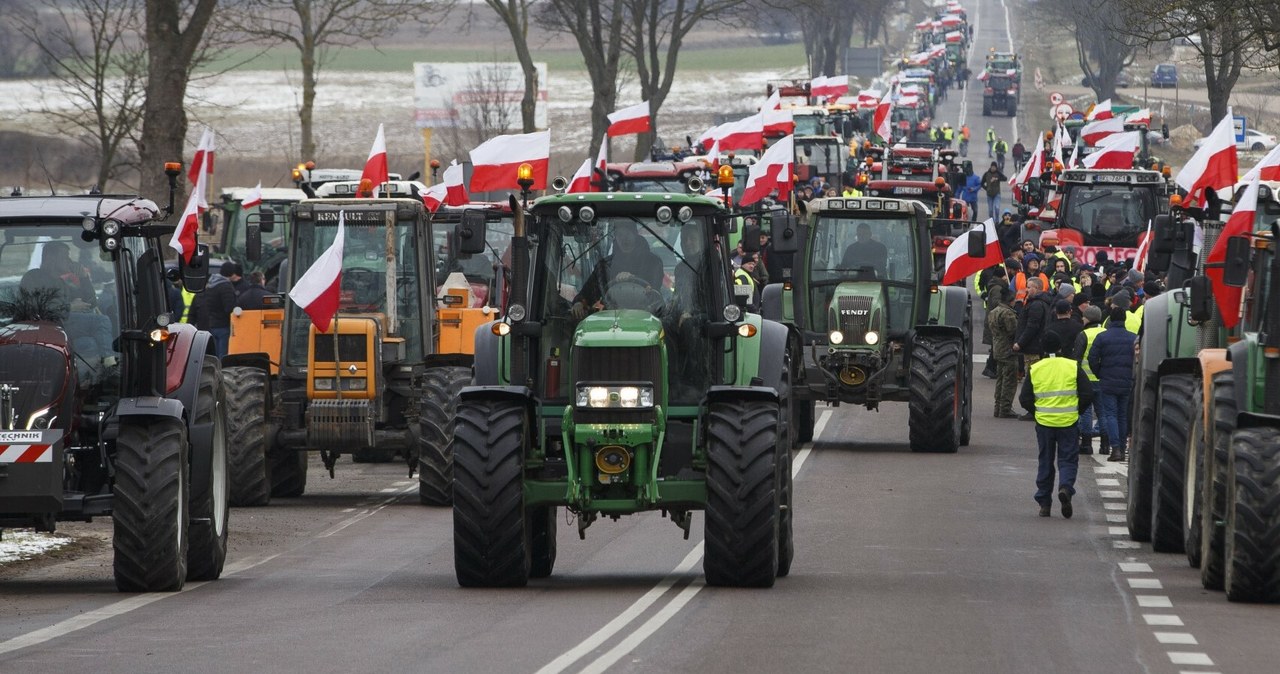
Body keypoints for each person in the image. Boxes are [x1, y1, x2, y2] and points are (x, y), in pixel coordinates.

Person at [1019, 330, 1094, 518]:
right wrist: (1076, 410)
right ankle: (1066, 488)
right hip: (1068, 422)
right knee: (1068, 459)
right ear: (1061, 347)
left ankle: (1044, 503)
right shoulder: (1072, 366)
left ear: (1042, 349)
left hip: (1044, 423)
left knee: (1045, 460)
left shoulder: (1036, 368)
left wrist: (1038, 412)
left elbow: (1024, 398)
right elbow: (1087, 393)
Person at [571, 222, 665, 320]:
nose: (624, 239)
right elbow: (588, 291)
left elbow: (654, 288)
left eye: (627, 234)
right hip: (609, 319)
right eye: (620, 235)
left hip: (646, 317)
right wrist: (579, 302)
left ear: (635, 234)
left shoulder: (653, 262)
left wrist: (632, 279)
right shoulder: (604, 266)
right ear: (615, 238)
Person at [1089, 306, 1138, 462]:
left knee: (1111, 414)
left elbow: (1092, 358)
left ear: (1110, 319)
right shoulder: (1133, 338)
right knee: (1123, 415)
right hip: (1126, 381)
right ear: (1124, 320)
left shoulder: (1103, 337)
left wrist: (1099, 373)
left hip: (1107, 381)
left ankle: (1115, 448)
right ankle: (1122, 449)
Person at [1013, 277, 1052, 417]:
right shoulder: (1039, 303)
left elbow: (1032, 327)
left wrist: (1020, 343)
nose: (1026, 290)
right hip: (1035, 346)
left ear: (1037, 288)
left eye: (1029, 287)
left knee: (1033, 378)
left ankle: (1033, 409)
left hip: (1033, 348)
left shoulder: (1036, 305)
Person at [1072, 305, 1106, 454]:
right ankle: (1105, 445)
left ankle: (1086, 444)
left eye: (1084, 317)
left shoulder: (1084, 334)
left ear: (1088, 319)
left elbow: (1077, 358)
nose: (1082, 319)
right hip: (1103, 379)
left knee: (1086, 411)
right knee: (1102, 412)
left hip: (1086, 379)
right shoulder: (1106, 333)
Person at [190, 261, 240, 357]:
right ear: (232, 273)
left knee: (215, 354)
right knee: (223, 354)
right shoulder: (226, 286)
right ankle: (222, 371)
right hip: (223, 326)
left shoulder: (211, 285)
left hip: (212, 324)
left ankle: (215, 370)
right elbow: (229, 308)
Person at [988, 283, 1019, 418]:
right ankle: (1005, 408)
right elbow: (1013, 331)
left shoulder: (993, 311)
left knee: (1000, 379)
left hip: (997, 347)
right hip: (1008, 349)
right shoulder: (1008, 313)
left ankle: (998, 407)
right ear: (1011, 300)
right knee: (1009, 380)